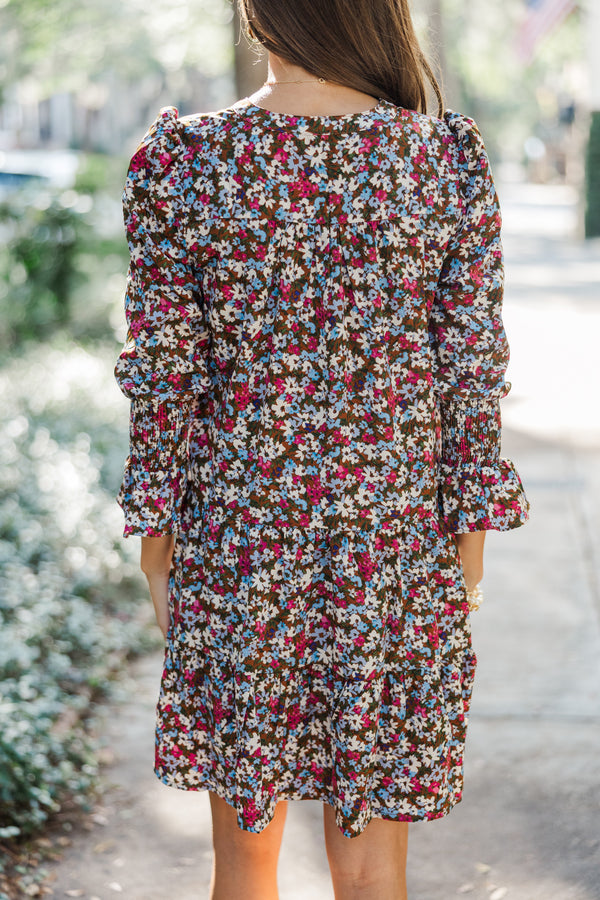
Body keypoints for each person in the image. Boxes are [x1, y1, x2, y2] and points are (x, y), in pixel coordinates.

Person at [114, 1, 530, 897]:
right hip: (394, 545)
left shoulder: (185, 162)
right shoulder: (440, 161)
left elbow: (166, 373)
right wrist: (468, 549)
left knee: (244, 855)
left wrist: (157, 541)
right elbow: (470, 369)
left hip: (242, 541)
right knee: (372, 865)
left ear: (259, 16)